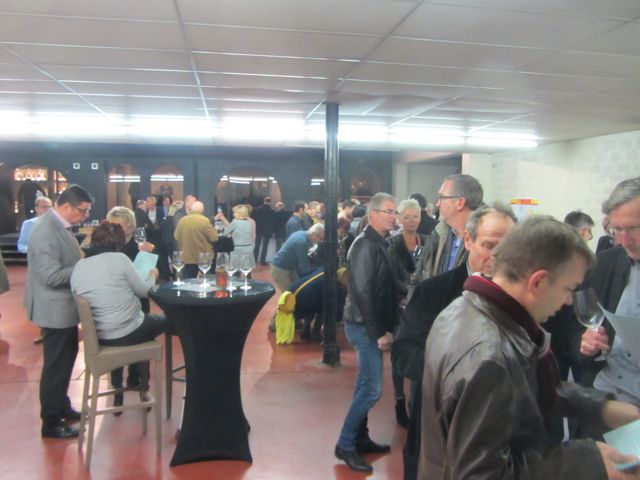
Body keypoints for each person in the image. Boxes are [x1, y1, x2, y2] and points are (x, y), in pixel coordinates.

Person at [419, 216, 640, 479]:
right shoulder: (490, 357)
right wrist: (588, 460)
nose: (568, 301)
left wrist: (600, 407)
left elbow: (529, 384)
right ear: (538, 281)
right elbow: (482, 475)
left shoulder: (468, 308)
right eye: (568, 289)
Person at [392, 203, 516, 480]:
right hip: (440, 427)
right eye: (489, 245)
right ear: (468, 240)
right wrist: (457, 375)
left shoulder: (522, 298)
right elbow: (403, 353)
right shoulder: (433, 292)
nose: (497, 256)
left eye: (507, 247)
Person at [70, 222, 167, 412]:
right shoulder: (119, 259)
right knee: (170, 319)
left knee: (144, 323)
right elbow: (144, 291)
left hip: (100, 336)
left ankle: (120, 390)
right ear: (119, 242)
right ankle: (144, 387)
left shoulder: (79, 266)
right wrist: (153, 275)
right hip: (128, 331)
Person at [335, 192, 398, 474]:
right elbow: (362, 292)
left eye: (395, 212)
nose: (394, 217)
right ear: (373, 214)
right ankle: (346, 444)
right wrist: (378, 332)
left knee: (365, 385)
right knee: (372, 389)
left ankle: (360, 438)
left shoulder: (380, 242)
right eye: (389, 212)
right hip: (363, 325)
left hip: (369, 323)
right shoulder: (364, 245)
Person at [24, 184, 93, 439]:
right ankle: (51, 421)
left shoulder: (60, 226)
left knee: (66, 360)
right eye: (82, 210)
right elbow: (51, 276)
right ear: (66, 206)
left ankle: (61, 406)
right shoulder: (45, 231)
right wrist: (84, 268)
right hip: (53, 308)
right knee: (56, 366)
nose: (85, 215)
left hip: (63, 307)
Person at [576, 177, 640, 412]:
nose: (624, 240)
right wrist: (586, 343)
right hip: (607, 392)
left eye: (635, 228)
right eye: (617, 229)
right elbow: (572, 331)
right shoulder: (602, 265)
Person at [387, 198, 427, 428]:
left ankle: (416, 399)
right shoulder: (392, 245)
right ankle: (399, 399)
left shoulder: (428, 242)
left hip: (421, 306)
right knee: (399, 353)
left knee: (419, 351)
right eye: (407, 217)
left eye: (415, 216)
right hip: (399, 306)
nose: (412, 221)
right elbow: (390, 277)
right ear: (400, 219)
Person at [415, 174, 483, 281]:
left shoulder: (484, 242)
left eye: (442, 198)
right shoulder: (437, 235)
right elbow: (419, 278)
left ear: (460, 203)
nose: (437, 204)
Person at [17, 195, 53, 344]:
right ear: (36, 208)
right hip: (37, 268)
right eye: (44, 207)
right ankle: (43, 330)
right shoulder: (29, 224)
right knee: (39, 299)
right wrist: (33, 250)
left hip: (53, 266)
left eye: (49, 207)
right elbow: (21, 245)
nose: (47, 210)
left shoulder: (56, 224)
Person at [271, 223, 325, 292]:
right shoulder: (302, 242)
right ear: (314, 234)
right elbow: (304, 267)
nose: (320, 241)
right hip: (280, 270)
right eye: (320, 238)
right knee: (290, 294)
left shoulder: (301, 233)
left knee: (298, 289)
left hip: (289, 267)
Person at [173, 201, 218, 279]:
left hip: (186, 257)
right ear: (202, 210)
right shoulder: (204, 220)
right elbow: (214, 237)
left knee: (188, 282)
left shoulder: (182, 220)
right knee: (205, 282)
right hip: (203, 257)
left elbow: (176, 236)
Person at [252, 196, 276, 265]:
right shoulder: (272, 212)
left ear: (264, 201)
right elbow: (273, 222)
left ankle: (254, 260)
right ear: (270, 202)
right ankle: (263, 261)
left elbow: (253, 220)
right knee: (265, 246)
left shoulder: (256, 210)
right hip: (267, 231)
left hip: (258, 230)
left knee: (257, 245)